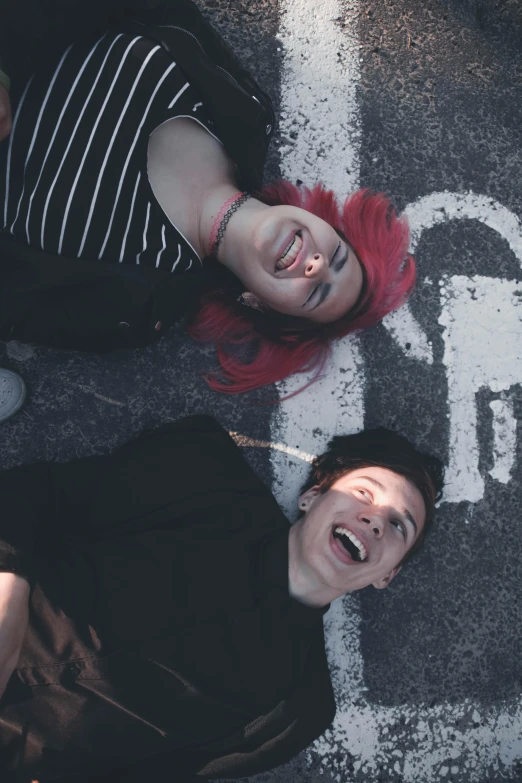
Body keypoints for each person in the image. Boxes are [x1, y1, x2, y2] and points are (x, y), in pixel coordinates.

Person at [0, 0, 415, 394]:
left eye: (315, 293)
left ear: (259, 305)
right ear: (323, 223)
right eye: (337, 257)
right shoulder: (243, 113)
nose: (317, 264)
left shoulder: (133, 308)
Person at [0, 414, 444, 782]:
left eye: (399, 525)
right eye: (364, 492)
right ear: (312, 496)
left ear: (387, 575)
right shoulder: (204, 474)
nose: (374, 521)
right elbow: (34, 493)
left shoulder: (296, 710)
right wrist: (10, 587)